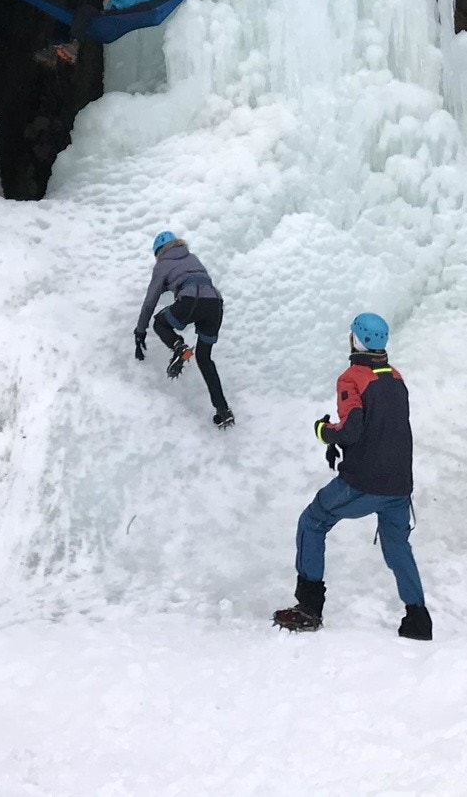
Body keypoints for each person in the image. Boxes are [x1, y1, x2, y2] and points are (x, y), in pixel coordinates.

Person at [272, 312, 431, 639]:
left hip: (364, 482)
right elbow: (386, 429)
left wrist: (324, 432)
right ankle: (418, 618)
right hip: (399, 485)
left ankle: (309, 608)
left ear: (356, 340)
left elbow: (353, 429)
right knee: (397, 546)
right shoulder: (397, 379)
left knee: (312, 522)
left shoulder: (353, 378)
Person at [133, 230, 234, 428]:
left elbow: (150, 301)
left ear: (159, 252)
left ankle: (179, 348)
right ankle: (223, 410)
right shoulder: (191, 257)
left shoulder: (163, 264)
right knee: (205, 359)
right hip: (215, 304)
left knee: (160, 322)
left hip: (191, 300)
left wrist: (140, 331)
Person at [37, 0, 160, 67]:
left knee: (85, 11)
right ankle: (54, 49)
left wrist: (119, 8)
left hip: (115, 23)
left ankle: (74, 45)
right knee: (72, 16)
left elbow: (136, 14)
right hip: (106, 15)